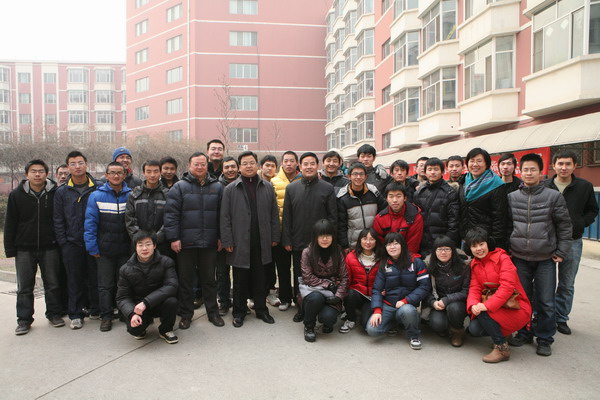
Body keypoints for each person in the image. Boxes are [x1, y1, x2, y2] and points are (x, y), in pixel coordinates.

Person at [507, 153, 572, 357]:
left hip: (545, 258)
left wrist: (561, 251)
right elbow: (508, 225)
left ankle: (545, 338)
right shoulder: (512, 197)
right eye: (525, 169)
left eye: (533, 169)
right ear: (521, 171)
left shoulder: (553, 196)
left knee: (546, 301)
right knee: (522, 299)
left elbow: (564, 226)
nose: (529, 173)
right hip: (519, 257)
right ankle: (524, 333)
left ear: (541, 172)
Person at [163, 152, 224, 330]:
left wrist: (221, 237)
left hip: (210, 243)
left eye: (203, 164)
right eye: (196, 164)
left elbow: (222, 215)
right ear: (189, 166)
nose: (199, 167)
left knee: (209, 280)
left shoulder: (217, 187)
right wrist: (174, 238)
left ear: (207, 165)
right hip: (186, 243)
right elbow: (171, 215)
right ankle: (186, 314)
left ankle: (213, 313)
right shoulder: (179, 187)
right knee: (186, 281)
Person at [220, 151, 280, 327]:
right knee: (240, 278)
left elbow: (274, 214)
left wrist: (275, 236)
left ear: (257, 165)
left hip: (262, 240)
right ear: (239, 167)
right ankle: (239, 312)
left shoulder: (267, 187)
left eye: (251, 163)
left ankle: (261, 309)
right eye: (245, 163)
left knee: (261, 277)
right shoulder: (231, 189)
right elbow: (225, 217)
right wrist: (227, 241)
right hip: (239, 241)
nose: (248, 166)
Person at [4, 159, 63, 335]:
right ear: (26, 174)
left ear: (47, 174)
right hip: (24, 248)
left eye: (41, 171)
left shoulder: (55, 193)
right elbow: (10, 223)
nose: (37, 174)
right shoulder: (16, 195)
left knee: (53, 284)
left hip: (50, 247)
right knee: (24, 287)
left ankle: (54, 314)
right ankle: (24, 320)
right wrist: (10, 248)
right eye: (33, 171)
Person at [544, 150, 599, 335]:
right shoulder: (545, 186)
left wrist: (580, 223)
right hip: (548, 241)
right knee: (544, 282)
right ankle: (542, 316)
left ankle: (561, 318)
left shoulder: (584, 187)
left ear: (575, 166)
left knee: (566, 283)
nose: (564, 167)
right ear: (553, 166)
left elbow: (592, 210)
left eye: (568, 164)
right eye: (560, 163)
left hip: (573, 241)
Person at [282, 152, 337, 322]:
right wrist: (287, 239)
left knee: (320, 276)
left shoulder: (327, 188)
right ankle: (301, 308)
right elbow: (287, 217)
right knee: (300, 277)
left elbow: (333, 217)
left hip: (321, 243)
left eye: (312, 163)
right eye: (305, 164)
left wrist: (330, 240)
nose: (309, 167)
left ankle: (320, 307)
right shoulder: (291, 188)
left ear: (317, 166)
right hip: (298, 241)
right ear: (300, 166)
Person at [465, 227, 531, 363]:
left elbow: (507, 287)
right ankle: (504, 334)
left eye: (481, 244)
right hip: (498, 306)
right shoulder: (475, 264)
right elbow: (474, 288)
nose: (478, 249)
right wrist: (473, 305)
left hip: (517, 306)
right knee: (474, 328)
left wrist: (486, 306)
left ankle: (501, 348)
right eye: (474, 246)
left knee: (483, 312)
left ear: (488, 243)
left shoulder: (503, 258)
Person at [54, 151, 99, 329]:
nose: (77, 166)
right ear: (68, 167)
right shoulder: (62, 191)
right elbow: (58, 219)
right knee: (74, 280)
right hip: (71, 243)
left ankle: (96, 309)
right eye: (73, 164)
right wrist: (63, 242)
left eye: (80, 163)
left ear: (86, 164)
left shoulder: (98, 187)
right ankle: (75, 314)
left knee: (95, 278)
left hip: (94, 242)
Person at [84, 162, 132, 332]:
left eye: (119, 173)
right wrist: (92, 247)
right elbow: (90, 224)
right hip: (104, 250)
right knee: (105, 285)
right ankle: (106, 316)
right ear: (106, 175)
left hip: (125, 250)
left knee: (124, 284)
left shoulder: (131, 195)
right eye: (112, 172)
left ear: (124, 175)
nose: (116, 176)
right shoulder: (96, 196)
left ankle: (125, 313)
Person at [365, 232, 430, 350]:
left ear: (402, 245)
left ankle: (414, 336)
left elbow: (424, 287)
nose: (392, 247)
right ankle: (394, 324)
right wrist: (377, 310)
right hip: (388, 304)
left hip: (407, 305)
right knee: (372, 330)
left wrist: (406, 300)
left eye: (396, 243)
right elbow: (377, 289)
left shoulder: (416, 262)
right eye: (389, 244)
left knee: (407, 311)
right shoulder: (384, 264)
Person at [116, 231, 179, 344]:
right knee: (134, 330)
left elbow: (172, 286)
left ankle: (166, 329)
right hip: (138, 307)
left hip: (158, 303)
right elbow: (122, 297)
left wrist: (146, 302)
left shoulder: (166, 262)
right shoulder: (125, 269)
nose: (144, 248)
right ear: (135, 247)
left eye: (148, 244)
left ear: (154, 245)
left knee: (171, 301)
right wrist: (131, 314)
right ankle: (142, 327)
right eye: (140, 245)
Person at [299, 219, 348, 342]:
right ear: (315, 237)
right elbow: (307, 277)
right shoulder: (307, 252)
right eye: (321, 236)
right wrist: (328, 284)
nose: (325, 239)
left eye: (328, 235)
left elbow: (344, 277)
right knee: (316, 298)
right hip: (312, 290)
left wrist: (338, 296)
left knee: (328, 318)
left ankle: (326, 321)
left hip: (332, 292)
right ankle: (309, 326)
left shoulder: (337, 250)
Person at [424, 236, 470, 347]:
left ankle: (457, 331)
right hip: (438, 302)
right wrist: (432, 302)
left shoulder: (464, 266)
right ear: (435, 251)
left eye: (447, 249)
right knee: (438, 324)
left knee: (454, 308)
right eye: (439, 249)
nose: (443, 252)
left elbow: (466, 291)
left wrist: (447, 299)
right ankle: (446, 326)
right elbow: (425, 290)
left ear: (453, 251)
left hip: (458, 302)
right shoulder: (429, 266)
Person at [459, 147, 508, 250]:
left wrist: (495, 243)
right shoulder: (464, 181)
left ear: (487, 163)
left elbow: (500, 217)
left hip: (485, 240)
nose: (475, 164)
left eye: (479, 161)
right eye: (472, 161)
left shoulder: (496, 184)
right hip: (466, 238)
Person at [271, 151, 302, 312]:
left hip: (299, 232)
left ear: (297, 163)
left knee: (299, 269)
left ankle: (299, 298)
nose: (289, 164)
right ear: (281, 163)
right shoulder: (274, 181)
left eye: (292, 161)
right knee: (282, 269)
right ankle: (285, 298)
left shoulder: (304, 180)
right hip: (281, 231)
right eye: (286, 161)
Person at [413, 157, 460, 257]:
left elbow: (454, 222)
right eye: (429, 169)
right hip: (422, 242)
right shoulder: (419, 192)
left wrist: (448, 244)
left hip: (442, 242)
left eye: (436, 169)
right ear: (425, 172)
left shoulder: (450, 192)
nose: (432, 172)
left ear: (442, 172)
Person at [340, 228, 382, 333]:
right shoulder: (351, 257)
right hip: (357, 293)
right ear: (360, 240)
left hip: (373, 297)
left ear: (376, 241)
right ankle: (351, 318)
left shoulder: (382, 258)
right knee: (349, 293)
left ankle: (364, 313)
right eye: (365, 238)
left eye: (371, 239)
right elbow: (347, 279)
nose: (368, 242)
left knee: (365, 325)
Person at [337, 162, 386, 250]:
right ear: (349, 176)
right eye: (355, 174)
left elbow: (383, 212)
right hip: (353, 243)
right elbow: (341, 224)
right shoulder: (343, 197)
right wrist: (345, 245)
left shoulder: (373, 192)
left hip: (373, 241)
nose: (358, 177)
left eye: (361, 174)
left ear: (366, 177)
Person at [125, 160, 170, 255]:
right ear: (143, 173)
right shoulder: (134, 195)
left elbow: (169, 219)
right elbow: (130, 219)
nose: (152, 175)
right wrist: (141, 240)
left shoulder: (168, 194)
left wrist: (155, 240)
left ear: (160, 172)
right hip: (139, 245)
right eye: (148, 171)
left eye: (155, 171)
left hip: (162, 245)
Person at [215, 156, 239, 315]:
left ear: (238, 168)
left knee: (240, 272)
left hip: (241, 235)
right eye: (227, 167)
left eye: (233, 166)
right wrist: (219, 237)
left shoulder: (244, 184)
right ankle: (224, 302)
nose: (230, 170)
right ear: (222, 170)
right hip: (221, 237)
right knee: (222, 273)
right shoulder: (216, 187)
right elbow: (215, 214)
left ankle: (240, 302)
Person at [372, 182, 423, 256]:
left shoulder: (415, 216)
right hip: (386, 256)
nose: (395, 200)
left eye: (398, 196)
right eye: (391, 196)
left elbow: (413, 245)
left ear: (405, 198)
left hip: (408, 257)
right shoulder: (380, 218)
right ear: (386, 199)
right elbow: (379, 243)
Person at [259, 154, 280, 307]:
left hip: (275, 228)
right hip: (259, 230)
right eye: (267, 165)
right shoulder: (255, 182)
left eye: (273, 166)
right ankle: (257, 293)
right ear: (261, 167)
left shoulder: (278, 183)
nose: (269, 168)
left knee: (271, 264)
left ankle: (271, 292)